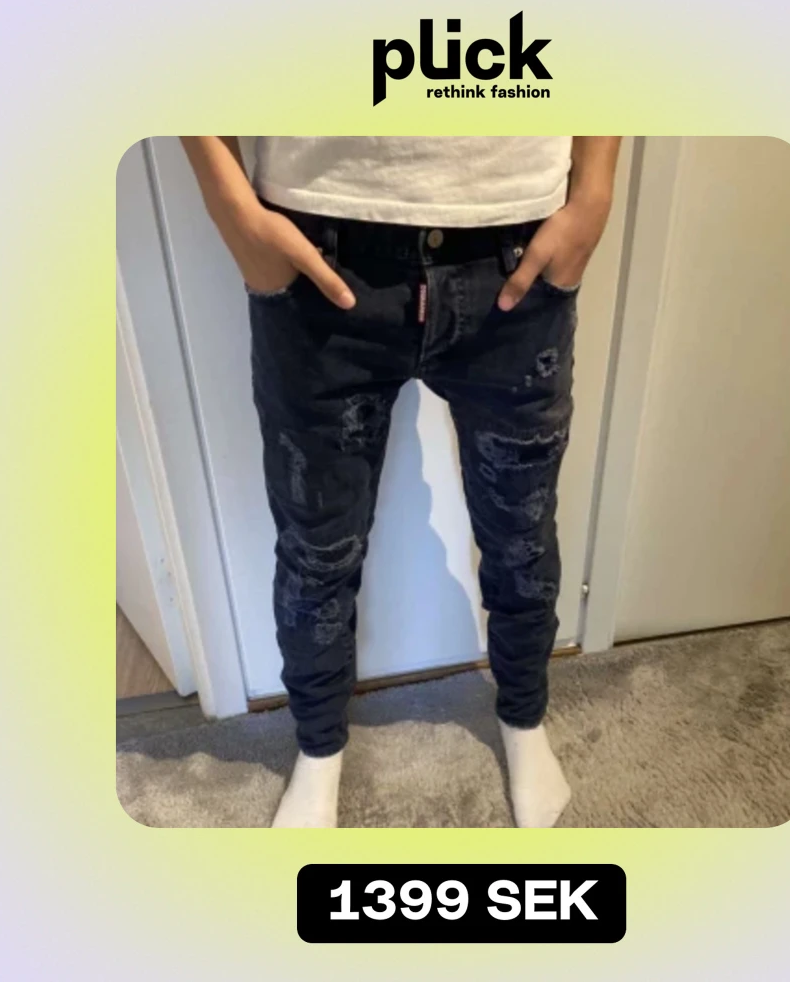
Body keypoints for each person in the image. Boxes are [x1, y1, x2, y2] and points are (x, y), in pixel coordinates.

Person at [181, 136, 621, 827]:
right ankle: (318, 748)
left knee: (521, 534)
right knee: (318, 549)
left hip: (516, 248)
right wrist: (230, 204)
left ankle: (525, 717)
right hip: (318, 250)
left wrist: (593, 193)